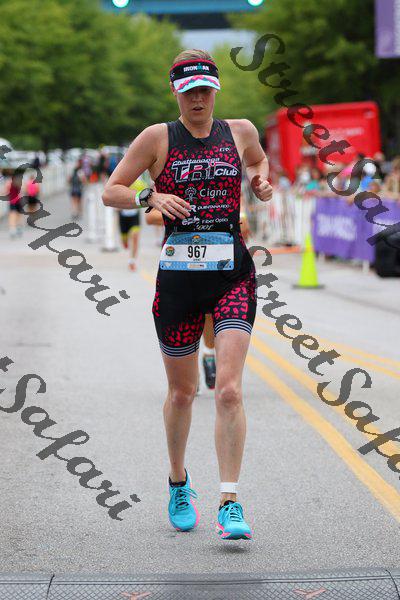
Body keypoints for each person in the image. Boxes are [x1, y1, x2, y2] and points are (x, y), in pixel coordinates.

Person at [102, 49, 273, 541]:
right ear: (176, 92)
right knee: (182, 393)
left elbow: (259, 161)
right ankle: (178, 482)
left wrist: (260, 181)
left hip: (231, 275)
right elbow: (112, 190)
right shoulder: (157, 138)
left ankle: (230, 501)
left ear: (215, 89)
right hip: (178, 280)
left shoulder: (240, 131)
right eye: (188, 91)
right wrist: (149, 195)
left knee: (230, 389)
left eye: (204, 90)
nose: (198, 99)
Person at [118, 178, 147, 271]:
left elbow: (148, 193)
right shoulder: (121, 182)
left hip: (134, 215)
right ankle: (125, 241)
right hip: (123, 216)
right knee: (125, 242)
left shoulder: (139, 183)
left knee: (135, 237)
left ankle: (132, 261)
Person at [7, 171, 24, 238]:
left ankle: (12, 229)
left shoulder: (9, 183)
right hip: (18, 200)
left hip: (12, 201)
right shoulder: (18, 182)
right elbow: (22, 190)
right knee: (19, 215)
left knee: (12, 215)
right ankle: (19, 227)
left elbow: (6, 191)